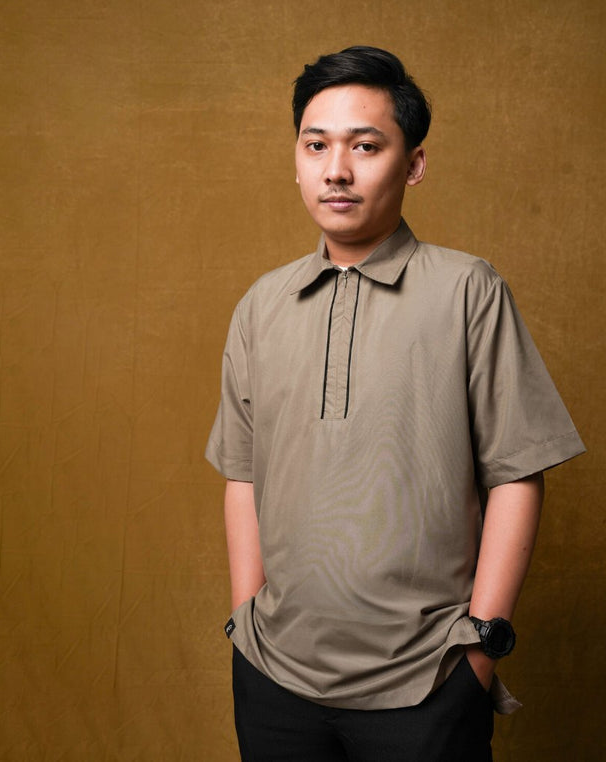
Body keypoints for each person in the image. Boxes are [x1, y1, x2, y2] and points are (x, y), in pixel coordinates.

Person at [206, 45, 585, 762]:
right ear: (297, 161)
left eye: (365, 146)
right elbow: (243, 472)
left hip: (429, 680)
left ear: (413, 164)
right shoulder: (261, 305)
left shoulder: (468, 290)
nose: (336, 170)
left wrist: (480, 652)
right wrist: (244, 621)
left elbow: (517, 473)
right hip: (274, 677)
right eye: (316, 145)